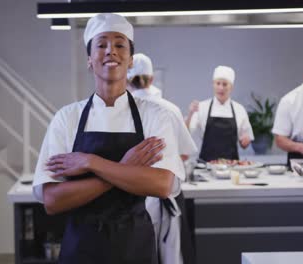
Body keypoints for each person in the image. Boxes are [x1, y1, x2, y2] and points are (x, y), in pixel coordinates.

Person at [32, 13, 184, 264]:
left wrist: (92, 162)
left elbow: (162, 185)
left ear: (130, 59)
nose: (110, 51)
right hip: (82, 248)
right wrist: (126, 169)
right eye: (101, 45)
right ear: (90, 60)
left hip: (135, 246)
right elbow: (52, 200)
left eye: (120, 44)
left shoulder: (155, 116)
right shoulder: (67, 118)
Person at [127, 52, 197, 264]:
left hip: (132, 197)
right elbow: (185, 153)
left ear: (128, 79)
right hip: (167, 194)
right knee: (170, 258)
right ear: (152, 78)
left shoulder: (121, 110)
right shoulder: (170, 109)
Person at [185, 65, 254, 162]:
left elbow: (244, 144)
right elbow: (186, 132)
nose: (221, 88)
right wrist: (191, 113)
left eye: (225, 84)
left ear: (231, 87)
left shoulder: (239, 109)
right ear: (213, 84)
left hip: (231, 167)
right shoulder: (202, 107)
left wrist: (246, 140)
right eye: (218, 83)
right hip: (206, 166)